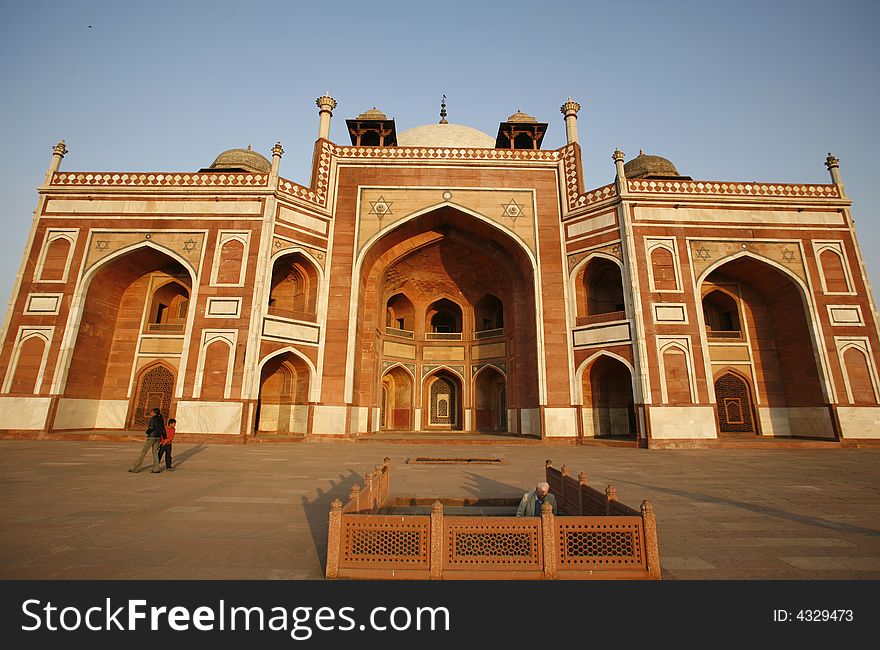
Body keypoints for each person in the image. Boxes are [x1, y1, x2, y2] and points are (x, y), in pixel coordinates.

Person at [128, 408, 165, 473]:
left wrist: (147, 432)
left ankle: (135, 467)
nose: (151, 413)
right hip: (157, 437)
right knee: (155, 453)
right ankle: (156, 468)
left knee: (143, 452)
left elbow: (151, 427)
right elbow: (163, 429)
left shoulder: (153, 419)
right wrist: (164, 437)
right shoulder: (161, 419)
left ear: (154, 413)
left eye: (152, 412)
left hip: (151, 437)